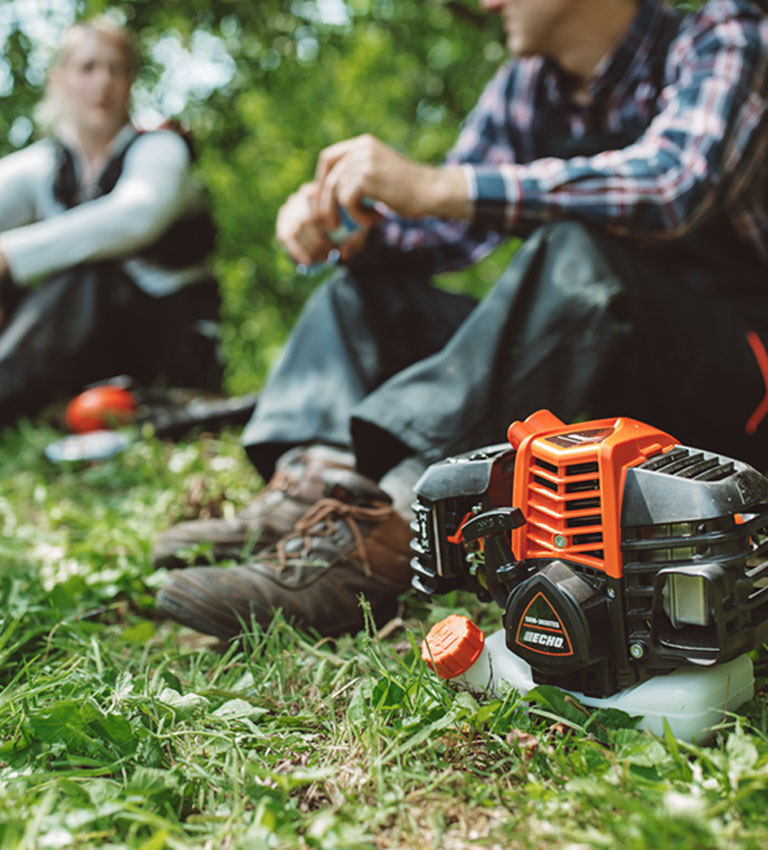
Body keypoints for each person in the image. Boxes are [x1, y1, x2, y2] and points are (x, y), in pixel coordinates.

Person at [156, 0, 768, 641]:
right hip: (597, 376)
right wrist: (360, 232)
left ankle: (392, 528)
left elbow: (671, 187)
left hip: (733, 383)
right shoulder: (529, 85)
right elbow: (442, 227)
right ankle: (317, 488)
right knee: (364, 295)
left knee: (575, 258)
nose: (485, 4)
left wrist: (435, 184)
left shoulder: (722, 35)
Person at [0, 17, 221, 426]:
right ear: (58, 80)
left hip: (163, 346)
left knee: (85, 277)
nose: (103, 82)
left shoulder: (160, 149)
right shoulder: (44, 166)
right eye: (87, 68)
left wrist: (9, 255)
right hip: (75, 354)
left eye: (115, 69)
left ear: (131, 81)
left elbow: (136, 215)